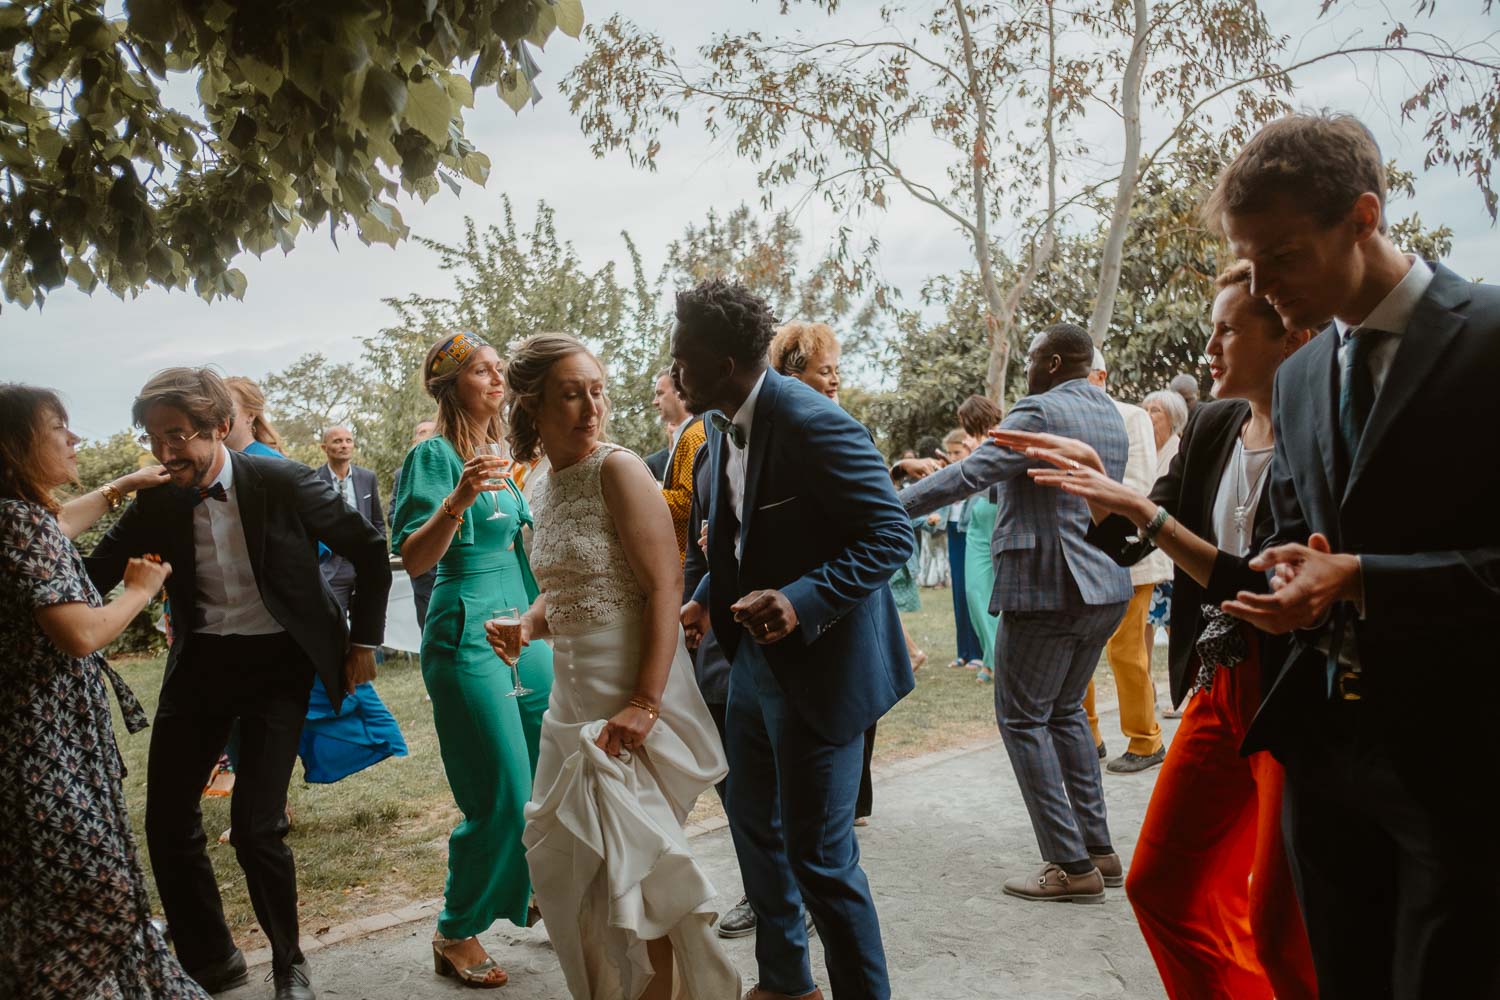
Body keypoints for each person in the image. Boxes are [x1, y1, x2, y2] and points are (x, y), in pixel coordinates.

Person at [1209, 112, 1500, 997]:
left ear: (1364, 219)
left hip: (1464, 763)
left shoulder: (1489, 337)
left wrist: (1368, 582)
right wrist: (1292, 578)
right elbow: (1308, 540)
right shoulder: (1299, 373)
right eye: (1248, 262)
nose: (1262, 287)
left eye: (1284, 256)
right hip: (1326, 753)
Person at [995, 261, 1318, 998]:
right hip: (1220, 680)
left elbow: (1260, 583)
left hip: (1294, 685)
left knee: (1279, 920)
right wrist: (1102, 493)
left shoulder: (1323, 432)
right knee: (1161, 888)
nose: (1208, 347)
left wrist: (1143, 511)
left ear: (1290, 335)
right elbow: (1133, 543)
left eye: (1227, 329)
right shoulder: (1211, 424)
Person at [86, 367, 391, 1000]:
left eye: (180, 436)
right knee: (167, 821)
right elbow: (90, 576)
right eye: (154, 439)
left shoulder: (282, 479)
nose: (166, 454)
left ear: (221, 426)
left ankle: (290, 963)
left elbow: (367, 549)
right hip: (200, 666)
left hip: (279, 666)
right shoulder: (156, 495)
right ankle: (211, 960)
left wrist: (362, 642)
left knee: (256, 828)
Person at [675, 280, 915, 1000]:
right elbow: (742, 534)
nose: (673, 370)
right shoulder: (720, 428)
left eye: (683, 357)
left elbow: (890, 533)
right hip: (749, 666)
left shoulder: (815, 422)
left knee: (820, 857)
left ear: (721, 362)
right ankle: (785, 984)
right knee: (753, 828)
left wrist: (800, 600)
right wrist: (702, 596)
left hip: (822, 668)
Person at [491, 332, 738, 1000]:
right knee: (579, 878)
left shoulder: (620, 469)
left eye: (596, 389)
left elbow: (663, 586)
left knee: (639, 882)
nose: (590, 406)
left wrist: (645, 703)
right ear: (534, 407)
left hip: (633, 696)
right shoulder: (540, 482)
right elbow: (572, 584)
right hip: (571, 703)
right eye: (572, 394)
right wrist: (528, 621)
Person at [899, 324, 1131, 903]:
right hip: (1103, 583)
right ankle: (1099, 852)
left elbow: (971, 473)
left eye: (1031, 359)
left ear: (1050, 362)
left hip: (1047, 585)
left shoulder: (1038, 409)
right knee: (1065, 713)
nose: (1027, 370)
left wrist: (890, 506)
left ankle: (1069, 865)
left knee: (1023, 718)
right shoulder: (1107, 412)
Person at [0, 385, 207, 1000]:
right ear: (14, 446)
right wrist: (140, 590)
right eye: (58, 427)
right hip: (44, 755)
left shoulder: (19, 516)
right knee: (97, 898)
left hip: (41, 747)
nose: (74, 438)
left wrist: (122, 486)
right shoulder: (17, 521)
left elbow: (60, 523)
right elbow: (80, 634)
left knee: (46, 905)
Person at [389, 333, 554, 989]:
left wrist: (547, 617)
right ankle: (455, 929)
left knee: (547, 778)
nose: (496, 380)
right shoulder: (432, 456)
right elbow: (417, 558)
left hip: (522, 624)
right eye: (481, 371)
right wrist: (456, 501)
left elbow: (521, 546)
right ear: (450, 383)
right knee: (502, 793)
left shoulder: (501, 454)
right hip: (467, 629)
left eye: (498, 370)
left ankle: (527, 888)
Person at [768, 319, 922, 836]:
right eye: (823, 371)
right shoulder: (779, 431)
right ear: (793, 373)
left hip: (848, 581)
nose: (834, 381)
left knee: (857, 691)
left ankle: (855, 799)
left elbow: (881, 521)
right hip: (807, 588)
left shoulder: (845, 427)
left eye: (836, 371)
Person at [302, 425, 406, 785]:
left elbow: (376, 521)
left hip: (360, 564)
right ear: (325, 447)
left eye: (348, 441)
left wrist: (374, 556)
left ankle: (360, 674)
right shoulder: (312, 479)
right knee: (333, 631)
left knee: (362, 623)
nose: (343, 446)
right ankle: (345, 688)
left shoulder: (367, 477)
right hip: (328, 567)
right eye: (337, 441)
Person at [1083, 351, 1169, 773]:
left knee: (1126, 651)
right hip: (1079, 557)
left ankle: (1146, 738)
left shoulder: (1132, 417)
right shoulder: (1063, 416)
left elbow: (1139, 485)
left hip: (1128, 554)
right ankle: (1088, 737)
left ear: (1102, 375)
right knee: (1078, 649)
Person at [1141, 388, 1189, 716]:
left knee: (1176, 628)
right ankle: (1147, 693)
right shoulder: (1142, 450)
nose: (1147, 415)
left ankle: (1182, 692)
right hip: (1144, 556)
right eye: (1144, 409)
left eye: (1155, 410)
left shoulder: (1180, 451)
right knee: (1140, 629)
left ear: (1173, 419)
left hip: (1171, 558)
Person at [956, 394, 1004, 680]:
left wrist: (977, 452)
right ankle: (990, 656)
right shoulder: (974, 444)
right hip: (978, 515)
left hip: (999, 514)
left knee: (996, 595)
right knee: (975, 592)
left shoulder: (1002, 437)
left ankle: (996, 661)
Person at [938, 428, 984, 668]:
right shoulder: (949, 472)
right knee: (958, 591)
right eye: (950, 452)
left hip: (972, 531)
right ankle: (963, 650)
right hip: (954, 530)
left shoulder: (978, 470)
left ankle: (978, 651)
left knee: (972, 591)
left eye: (957, 452)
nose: (953, 456)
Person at [654, 368, 710, 560]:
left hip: (687, 558)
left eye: (660, 393)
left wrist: (647, 493)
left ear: (679, 392)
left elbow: (689, 501)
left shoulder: (693, 436)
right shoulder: (687, 434)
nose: (655, 402)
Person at [391, 419, 438, 629]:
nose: (426, 435)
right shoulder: (403, 473)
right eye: (421, 432)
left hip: (455, 559)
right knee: (428, 619)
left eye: (431, 431)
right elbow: (394, 516)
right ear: (414, 440)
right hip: (423, 562)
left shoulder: (451, 465)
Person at [224, 376, 286, 457]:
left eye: (227, 409)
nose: (218, 416)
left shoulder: (270, 460)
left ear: (250, 416)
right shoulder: (213, 462)